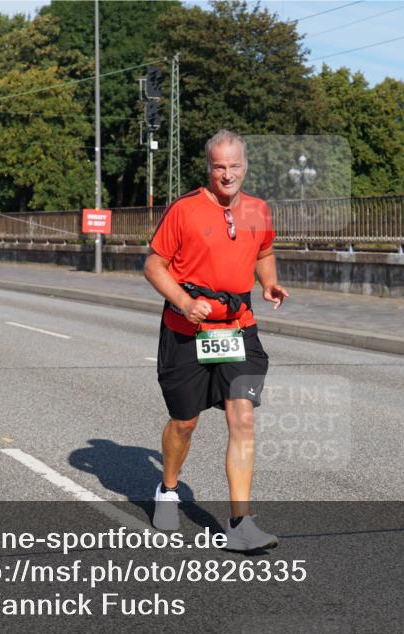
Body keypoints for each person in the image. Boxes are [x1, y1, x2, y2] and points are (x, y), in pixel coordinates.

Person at [144, 129, 289, 552]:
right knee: (185, 422)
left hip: (237, 328)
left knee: (241, 418)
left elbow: (263, 252)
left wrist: (269, 283)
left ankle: (240, 523)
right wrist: (185, 303)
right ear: (208, 168)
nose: (228, 175)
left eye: (235, 165)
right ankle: (168, 489)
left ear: (245, 165)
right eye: (219, 167)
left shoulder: (258, 210)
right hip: (188, 331)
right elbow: (154, 266)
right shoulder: (184, 211)